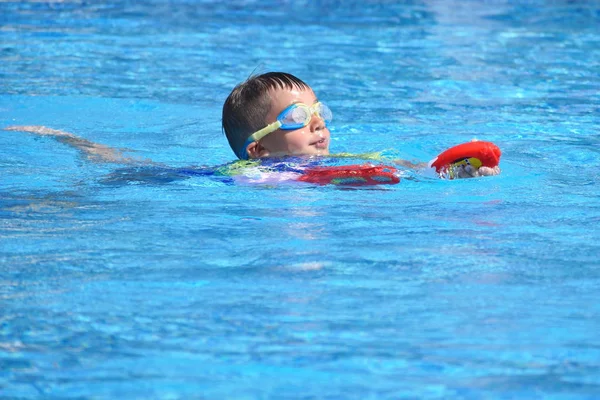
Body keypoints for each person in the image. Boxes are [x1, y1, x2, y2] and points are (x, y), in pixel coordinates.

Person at [4, 72, 500, 179]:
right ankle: (62, 138)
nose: (317, 124)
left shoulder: (346, 162)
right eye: (296, 119)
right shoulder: (253, 172)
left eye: (319, 112)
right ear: (258, 147)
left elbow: (397, 167)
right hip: (194, 177)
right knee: (129, 166)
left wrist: (452, 170)